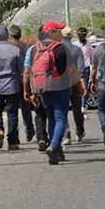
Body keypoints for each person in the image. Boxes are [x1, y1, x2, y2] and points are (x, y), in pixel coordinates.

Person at [28, 21, 79, 165]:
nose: (61, 34)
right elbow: (71, 70)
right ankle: (54, 145)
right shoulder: (61, 48)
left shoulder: (35, 49)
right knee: (61, 119)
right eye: (58, 31)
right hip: (59, 88)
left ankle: (57, 151)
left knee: (51, 118)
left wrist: (33, 91)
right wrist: (79, 85)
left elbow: (31, 71)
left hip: (42, 88)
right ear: (51, 33)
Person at [8, 25, 36, 144]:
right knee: (25, 108)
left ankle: (14, 136)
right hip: (24, 80)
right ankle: (30, 130)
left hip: (10, 82)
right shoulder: (26, 46)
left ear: (10, 35)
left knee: (12, 110)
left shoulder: (7, 46)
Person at [61, 27, 86, 143]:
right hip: (75, 82)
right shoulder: (77, 49)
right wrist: (82, 83)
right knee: (77, 109)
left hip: (61, 83)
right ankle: (79, 131)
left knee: (62, 109)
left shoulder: (58, 49)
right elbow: (81, 69)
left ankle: (66, 134)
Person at [77, 27, 95, 107]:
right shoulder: (75, 44)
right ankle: (80, 106)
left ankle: (82, 106)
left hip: (86, 69)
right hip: (77, 69)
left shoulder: (88, 45)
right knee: (79, 88)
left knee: (84, 88)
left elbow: (92, 57)